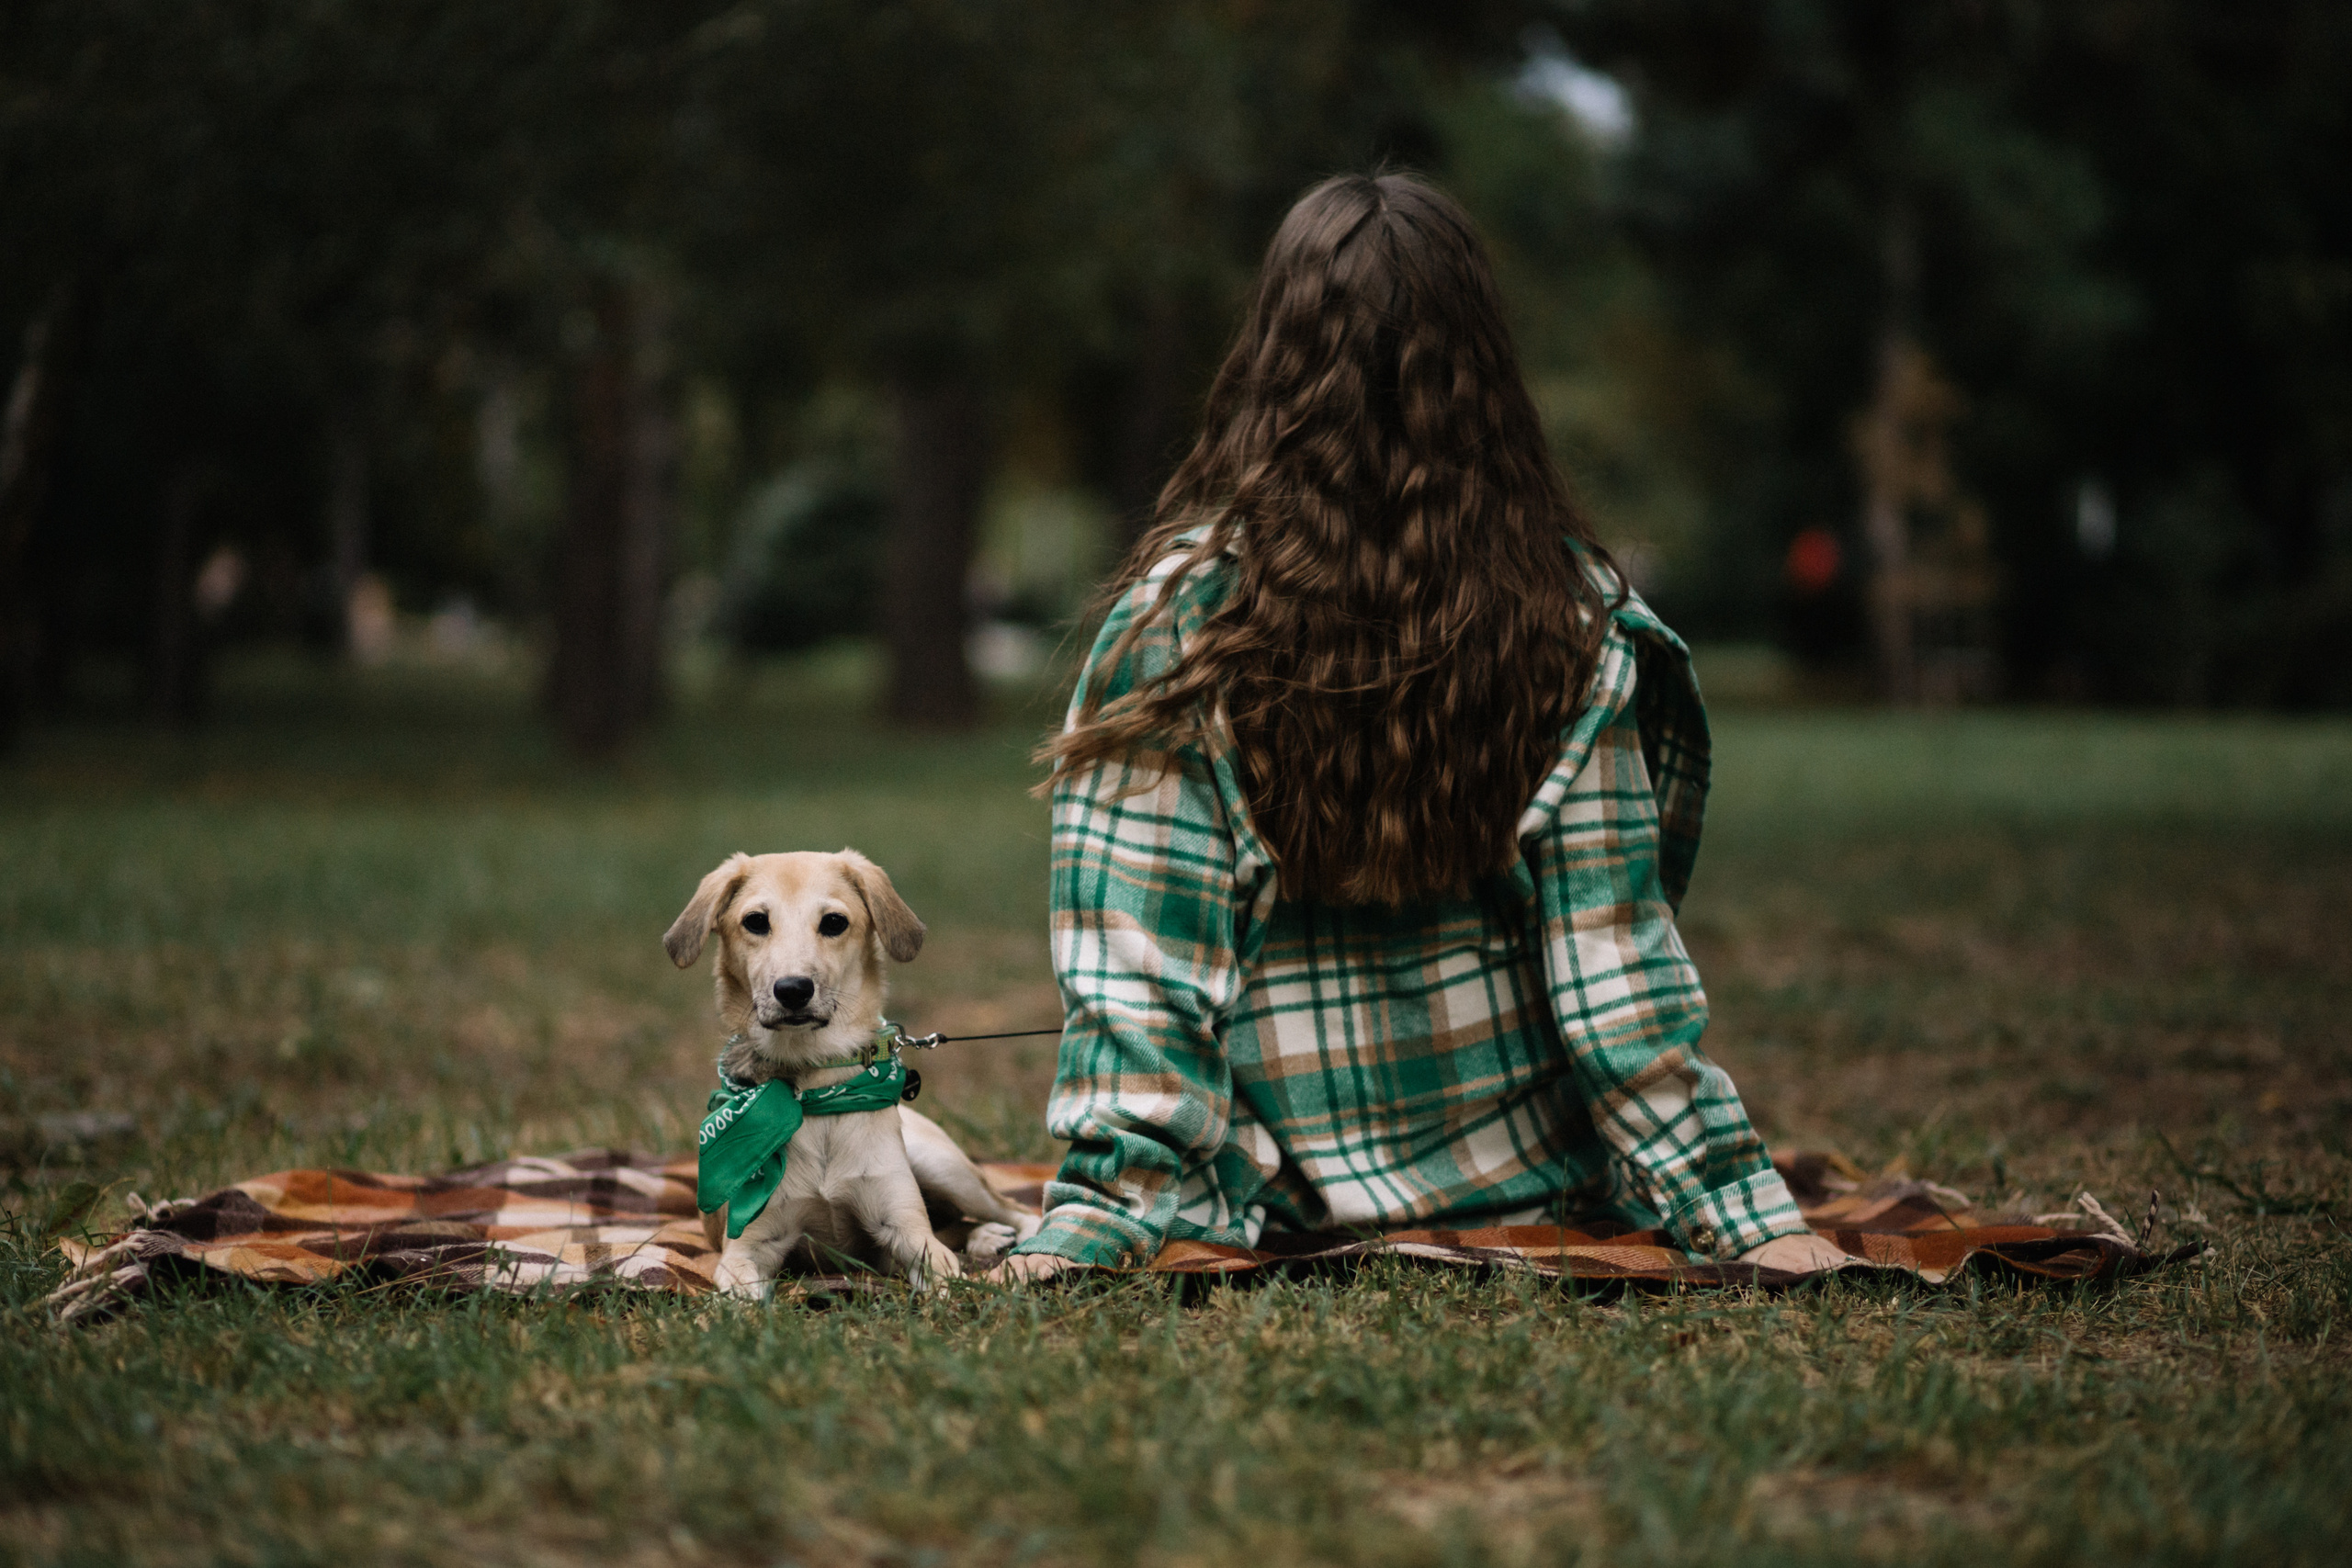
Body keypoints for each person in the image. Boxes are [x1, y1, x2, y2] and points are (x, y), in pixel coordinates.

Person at [992, 172, 1847, 1281]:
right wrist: (1740, 1212)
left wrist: (1101, 1219)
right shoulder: (1574, 616)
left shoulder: (1180, 622)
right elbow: (1615, 971)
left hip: (1265, 1203)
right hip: (1531, 1191)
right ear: (1485, 369)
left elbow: (1139, 970)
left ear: (1271, 359)